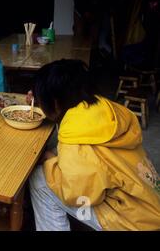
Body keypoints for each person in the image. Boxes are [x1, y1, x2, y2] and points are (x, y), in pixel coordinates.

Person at [29, 59, 160, 231]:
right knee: (55, 154)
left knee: (39, 178)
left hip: (131, 223)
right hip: (148, 207)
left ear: (55, 103)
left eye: (40, 100)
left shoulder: (75, 136)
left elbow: (78, 194)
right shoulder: (102, 109)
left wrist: (50, 162)